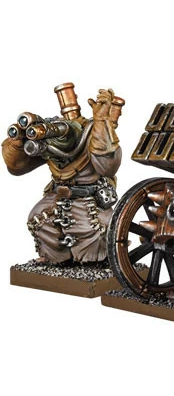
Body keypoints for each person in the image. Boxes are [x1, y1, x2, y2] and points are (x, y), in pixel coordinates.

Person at [2, 84, 124, 263]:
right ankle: (57, 259)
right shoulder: (50, 143)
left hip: (88, 199)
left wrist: (101, 122)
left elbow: (107, 167)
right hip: (57, 196)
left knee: (94, 230)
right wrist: (17, 143)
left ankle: (94, 263)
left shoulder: (90, 135)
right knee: (39, 219)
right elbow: (16, 167)